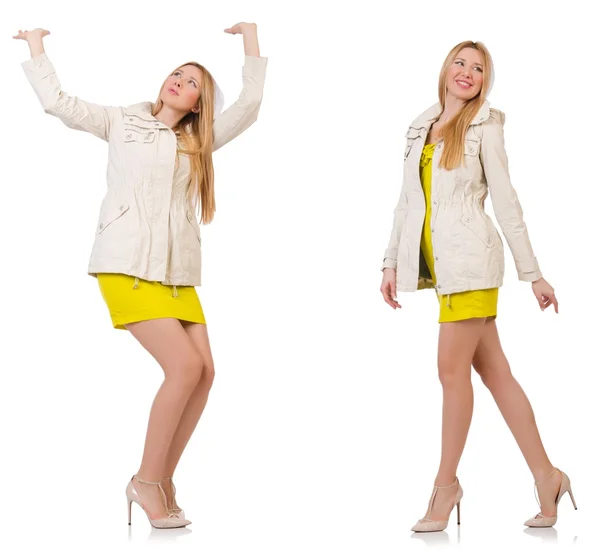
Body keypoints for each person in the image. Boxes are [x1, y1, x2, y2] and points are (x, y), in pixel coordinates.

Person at [15, 23, 267, 529]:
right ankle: (147, 482)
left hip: (176, 273)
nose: (179, 81)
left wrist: (251, 40)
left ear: (199, 103)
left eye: (192, 81)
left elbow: (250, 104)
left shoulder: (199, 141)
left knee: (205, 372)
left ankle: (162, 479)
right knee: (183, 369)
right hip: (125, 264)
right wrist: (38, 47)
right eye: (176, 73)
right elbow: (59, 103)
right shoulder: (121, 121)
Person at [379, 40, 576, 532]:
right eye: (460, 63)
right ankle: (547, 476)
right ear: (445, 70)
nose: (467, 72)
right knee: (496, 374)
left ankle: (445, 487)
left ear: (486, 80)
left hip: (472, 265)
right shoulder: (419, 126)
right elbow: (407, 203)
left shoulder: (485, 126)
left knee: (450, 371)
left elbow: (507, 202)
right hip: (442, 269)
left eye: (478, 68)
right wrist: (389, 263)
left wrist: (533, 273)